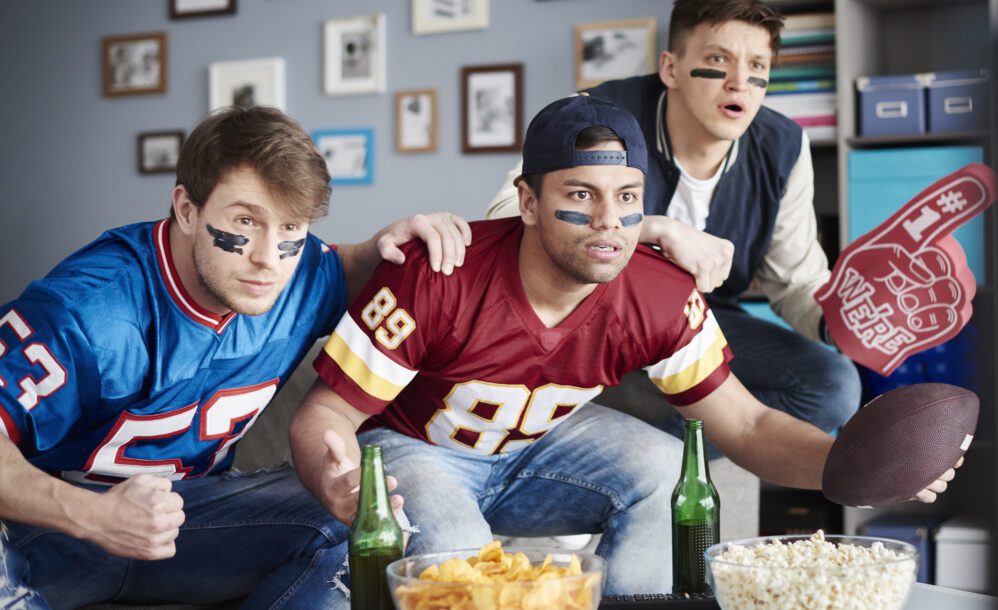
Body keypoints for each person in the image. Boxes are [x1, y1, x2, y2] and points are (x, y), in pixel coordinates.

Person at [290, 96, 957, 594]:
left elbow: (747, 424)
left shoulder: (658, 293)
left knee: (669, 471)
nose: (610, 221)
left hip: (544, 447)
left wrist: (855, 464)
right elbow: (325, 415)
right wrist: (340, 482)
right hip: (419, 449)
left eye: (628, 196)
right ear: (526, 201)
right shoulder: (440, 271)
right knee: (464, 563)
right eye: (580, 194)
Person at [0, 106, 471, 609]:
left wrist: (401, 243)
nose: (268, 258)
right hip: (51, 534)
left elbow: (350, 265)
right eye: (245, 221)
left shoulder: (299, 272)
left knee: (369, 523)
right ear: (186, 208)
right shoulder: (91, 310)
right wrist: (89, 515)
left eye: (290, 227)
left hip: (192, 523)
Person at [488, 0, 862, 435]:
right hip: (593, 314)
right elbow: (505, 218)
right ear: (670, 69)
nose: (740, 82)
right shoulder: (595, 115)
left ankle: (648, 442)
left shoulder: (786, 146)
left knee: (832, 385)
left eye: (757, 64)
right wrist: (654, 229)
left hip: (706, 321)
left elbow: (796, 281)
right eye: (718, 60)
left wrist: (847, 322)